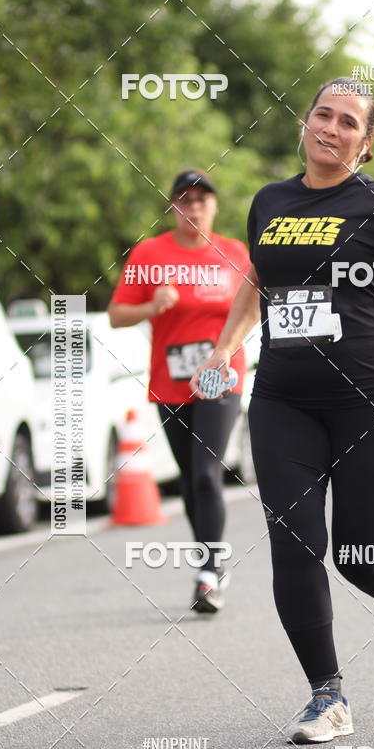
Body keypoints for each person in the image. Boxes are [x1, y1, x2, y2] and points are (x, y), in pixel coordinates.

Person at [190, 77, 374, 742]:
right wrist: (225, 348)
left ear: (367, 142)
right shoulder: (270, 201)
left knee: (358, 553)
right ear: (305, 123)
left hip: (371, 397)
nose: (332, 126)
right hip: (284, 397)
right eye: (323, 114)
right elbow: (258, 284)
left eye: (348, 121)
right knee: (294, 545)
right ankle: (327, 697)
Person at [108, 169, 251, 614]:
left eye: (202, 200)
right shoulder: (151, 253)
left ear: (215, 207)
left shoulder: (234, 253)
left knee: (208, 473)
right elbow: (116, 314)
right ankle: (212, 558)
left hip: (220, 377)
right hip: (170, 381)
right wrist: (152, 306)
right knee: (190, 479)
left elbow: (255, 307)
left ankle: (208, 574)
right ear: (173, 207)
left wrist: (225, 350)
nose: (193, 208)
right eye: (184, 200)